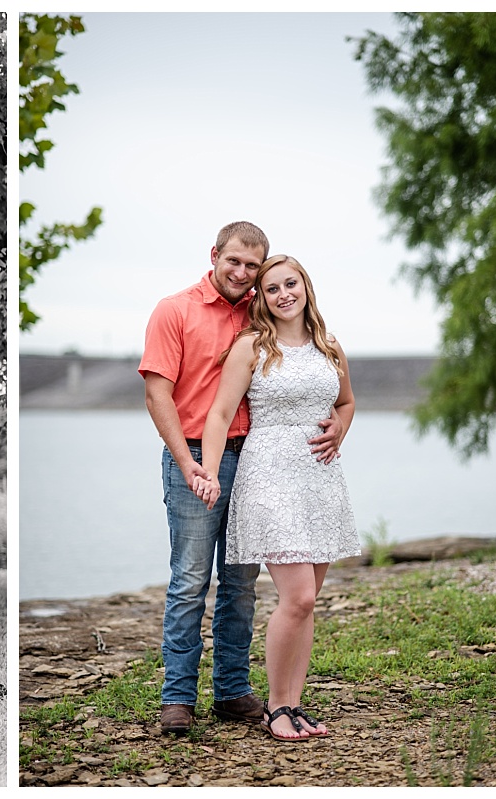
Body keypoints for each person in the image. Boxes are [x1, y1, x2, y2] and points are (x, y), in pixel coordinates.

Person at [138, 222, 345, 736]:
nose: (243, 273)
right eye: (235, 262)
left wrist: (339, 422)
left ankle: (232, 691)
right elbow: (158, 396)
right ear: (214, 256)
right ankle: (178, 698)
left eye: (254, 267)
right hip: (196, 455)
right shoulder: (176, 310)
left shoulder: (262, 315)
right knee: (190, 581)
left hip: (254, 459)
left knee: (241, 585)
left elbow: (334, 395)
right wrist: (192, 466)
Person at [197, 254, 358, 741]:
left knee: (308, 604)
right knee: (299, 596)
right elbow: (220, 414)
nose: (283, 294)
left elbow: (346, 402)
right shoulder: (252, 345)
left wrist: (340, 429)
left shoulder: (329, 345)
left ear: (306, 287)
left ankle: (293, 704)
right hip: (269, 475)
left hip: (320, 478)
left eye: (291, 284)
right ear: (261, 299)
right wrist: (207, 472)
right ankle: (275, 709)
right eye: (272, 289)